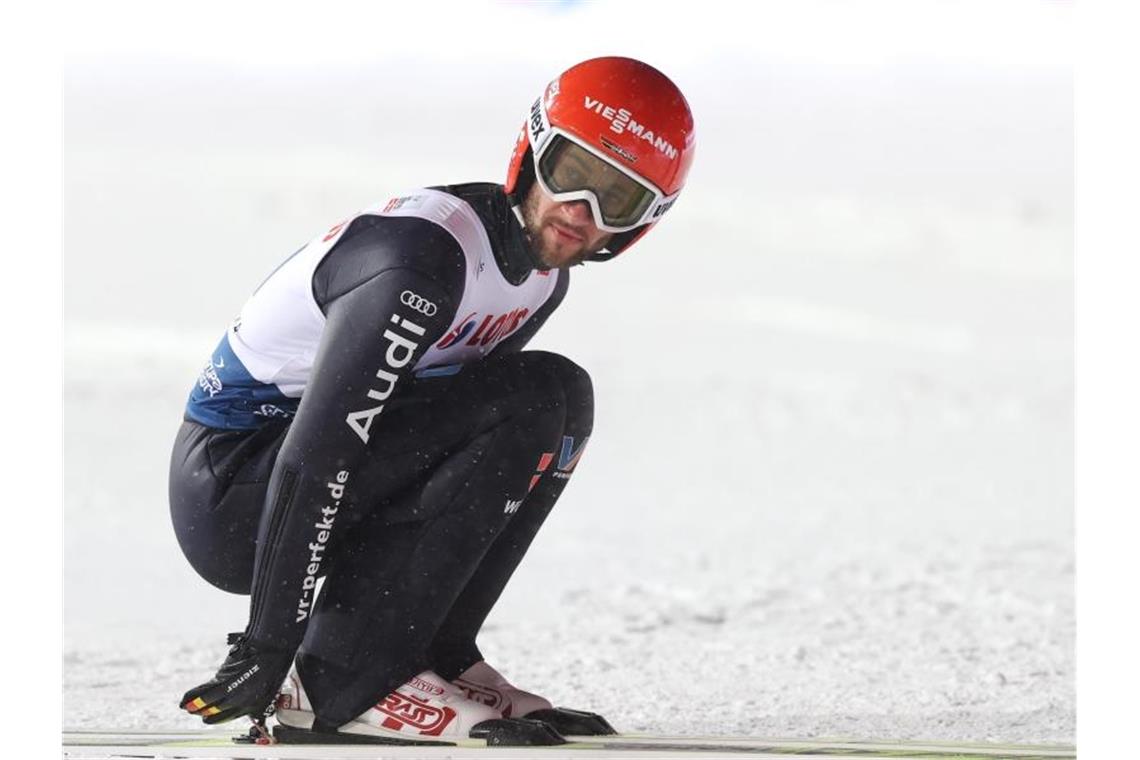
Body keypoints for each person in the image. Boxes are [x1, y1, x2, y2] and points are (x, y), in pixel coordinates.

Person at [171, 56, 696, 745]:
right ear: (533, 152)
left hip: (307, 481)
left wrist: (441, 649)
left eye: (616, 199)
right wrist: (268, 645)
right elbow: (322, 447)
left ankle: (432, 656)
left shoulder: (541, 281)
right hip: (236, 495)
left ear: (642, 222)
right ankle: (340, 681)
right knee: (534, 394)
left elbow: (461, 460)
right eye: (574, 176)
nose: (581, 213)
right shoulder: (423, 258)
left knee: (562, 397)